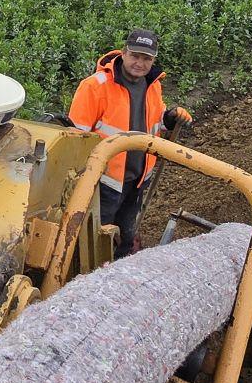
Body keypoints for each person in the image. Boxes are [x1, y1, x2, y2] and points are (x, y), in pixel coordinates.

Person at [68, 29, 190, 257]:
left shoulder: (152, 84)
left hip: (137, 179)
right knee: (95, 241)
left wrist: (170, 119)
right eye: (135, 55)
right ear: (123, 53)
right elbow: (76, 137)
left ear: (153, 60)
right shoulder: (95, 86)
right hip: (102, 183)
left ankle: (123, 270)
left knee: (125, 233)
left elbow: (153, 121)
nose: (140, 63)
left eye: (147, 58)